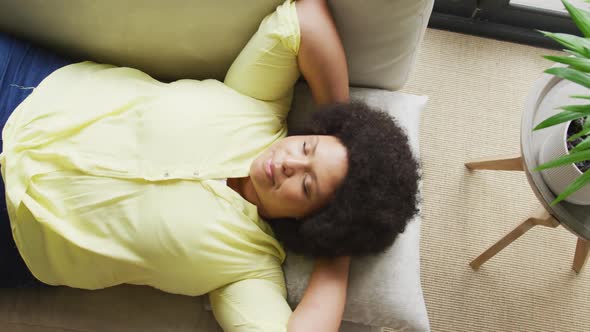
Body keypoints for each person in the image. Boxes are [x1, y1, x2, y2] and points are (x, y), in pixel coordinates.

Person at [0, 0, 420, 331]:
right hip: (23, 90)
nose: (291, 162)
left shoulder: (247, 270)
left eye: (308, 186)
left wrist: (337, 252)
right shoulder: (257, 101)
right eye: (307, 146)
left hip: (14, 231)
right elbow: (305, 17)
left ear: (315, 223)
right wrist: (342, 124)